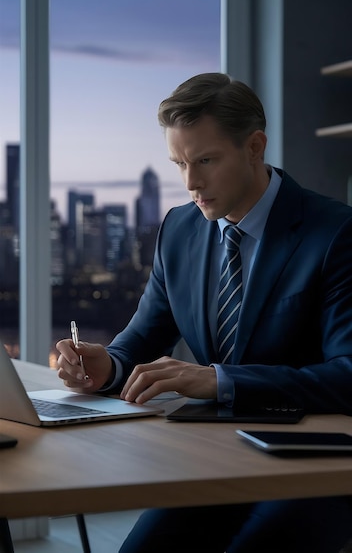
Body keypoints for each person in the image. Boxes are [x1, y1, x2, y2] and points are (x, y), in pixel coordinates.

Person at [56, 73, 352, 553]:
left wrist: (221, 379)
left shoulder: (335, 233)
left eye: (206, 161)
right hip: (214, 459)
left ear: (255, 147)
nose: (191, 182)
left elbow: (348, 375)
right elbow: (142, 339)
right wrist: (104, 365)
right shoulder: (180, 229)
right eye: (179, 163)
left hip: (313, 469)